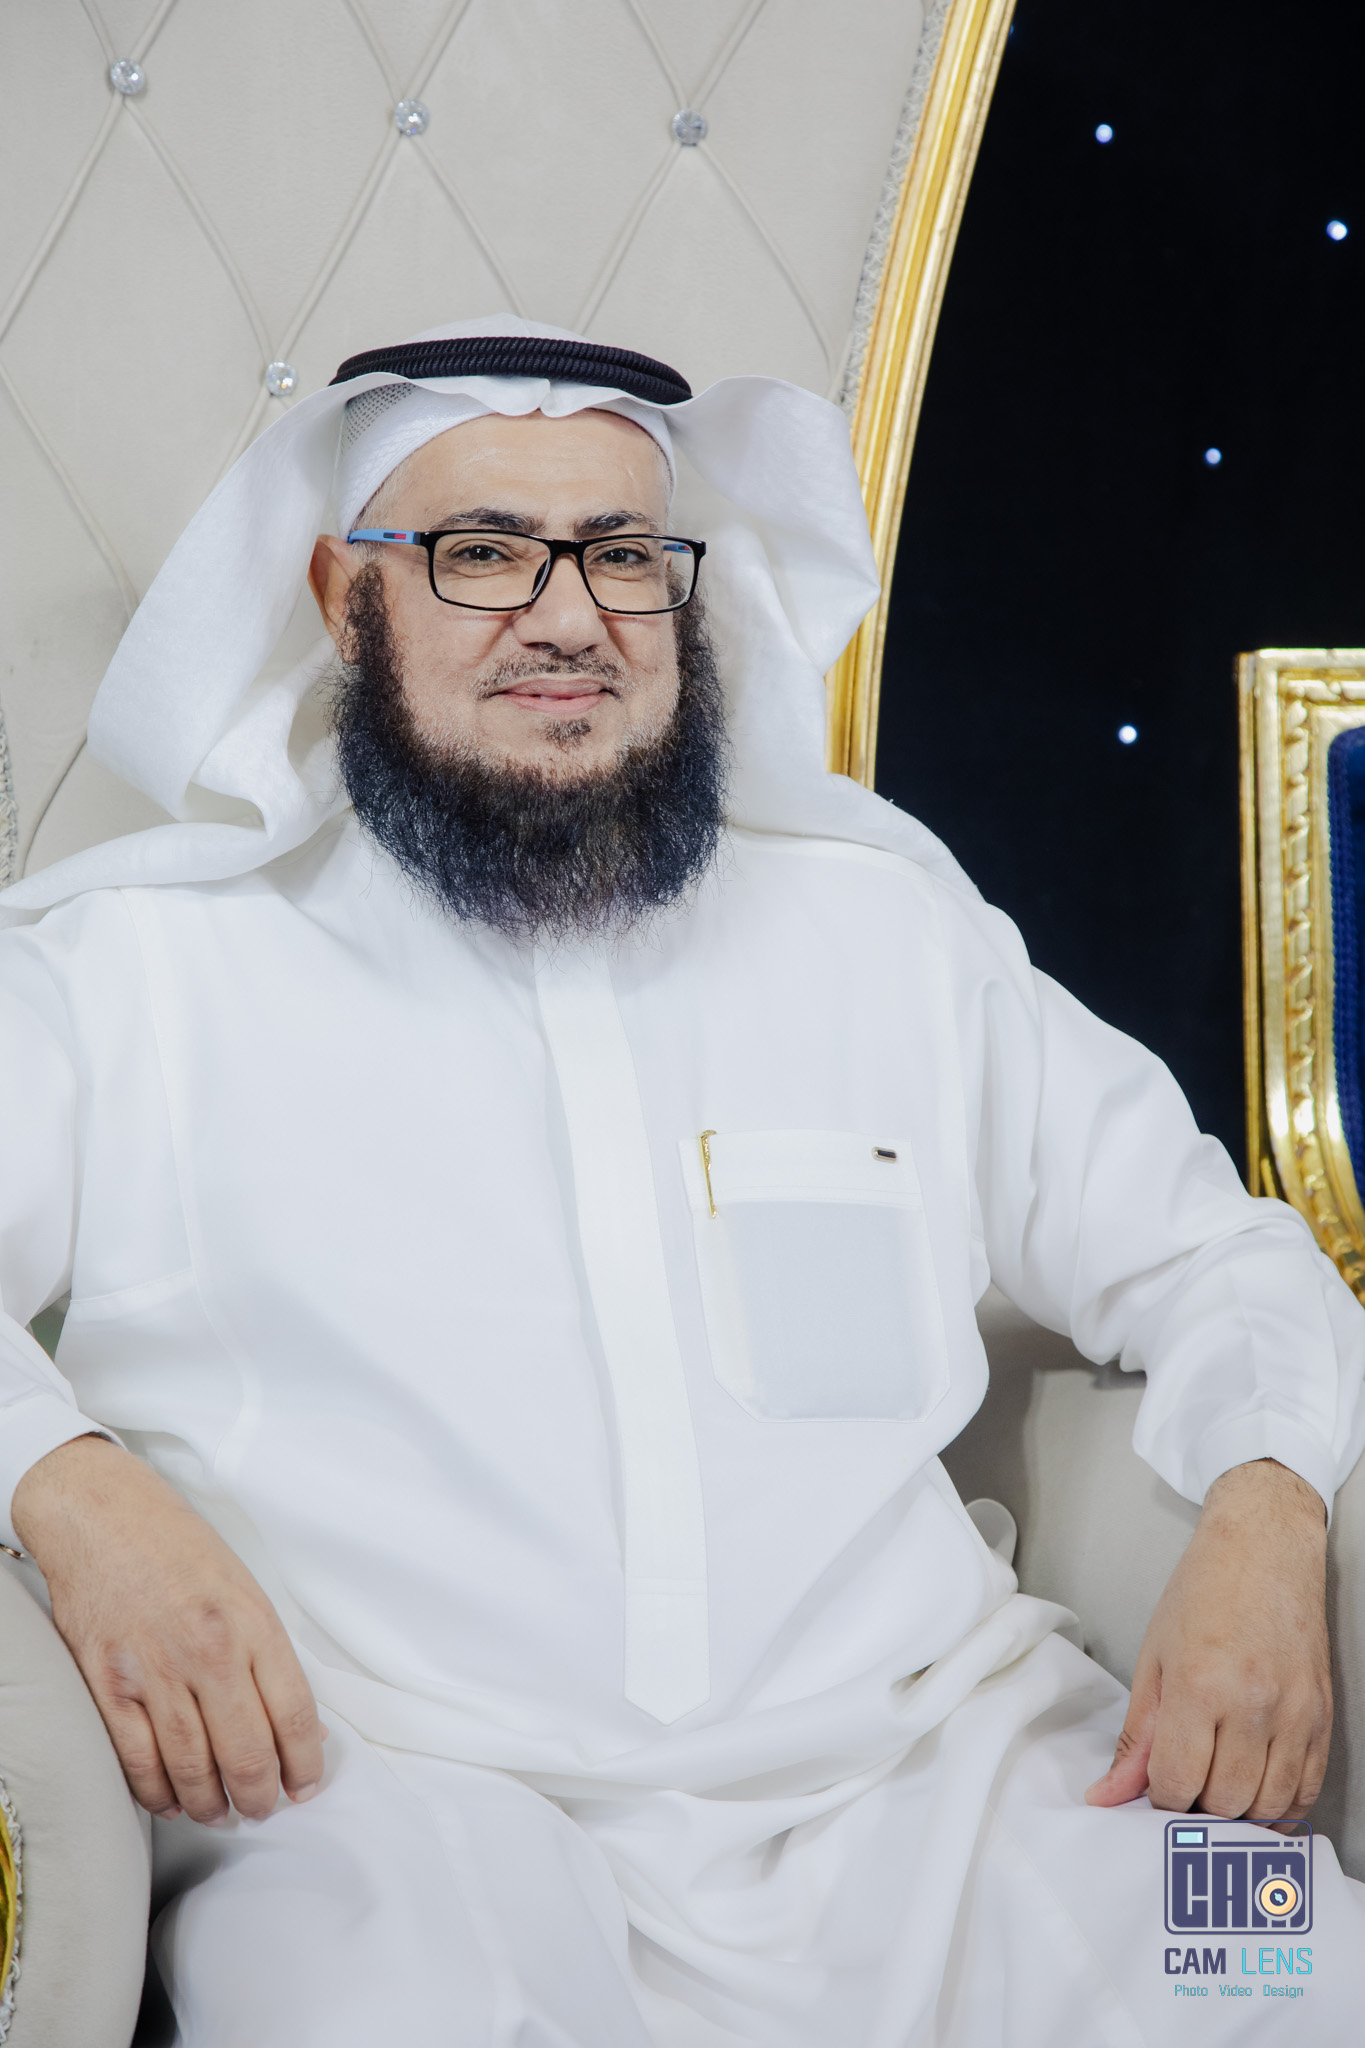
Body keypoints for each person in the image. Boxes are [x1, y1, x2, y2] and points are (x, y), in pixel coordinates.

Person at [1, 316, 1362, 2046]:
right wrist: (70, 1491)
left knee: (1296, 1980)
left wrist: (1264, 1510)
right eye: (483, 552)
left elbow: (1216, 1256)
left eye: (623, 555)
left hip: (948, 1779)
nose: (568, 615)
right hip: (398, 1807)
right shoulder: (134, 975)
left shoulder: (887, 936)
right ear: (348, 599)